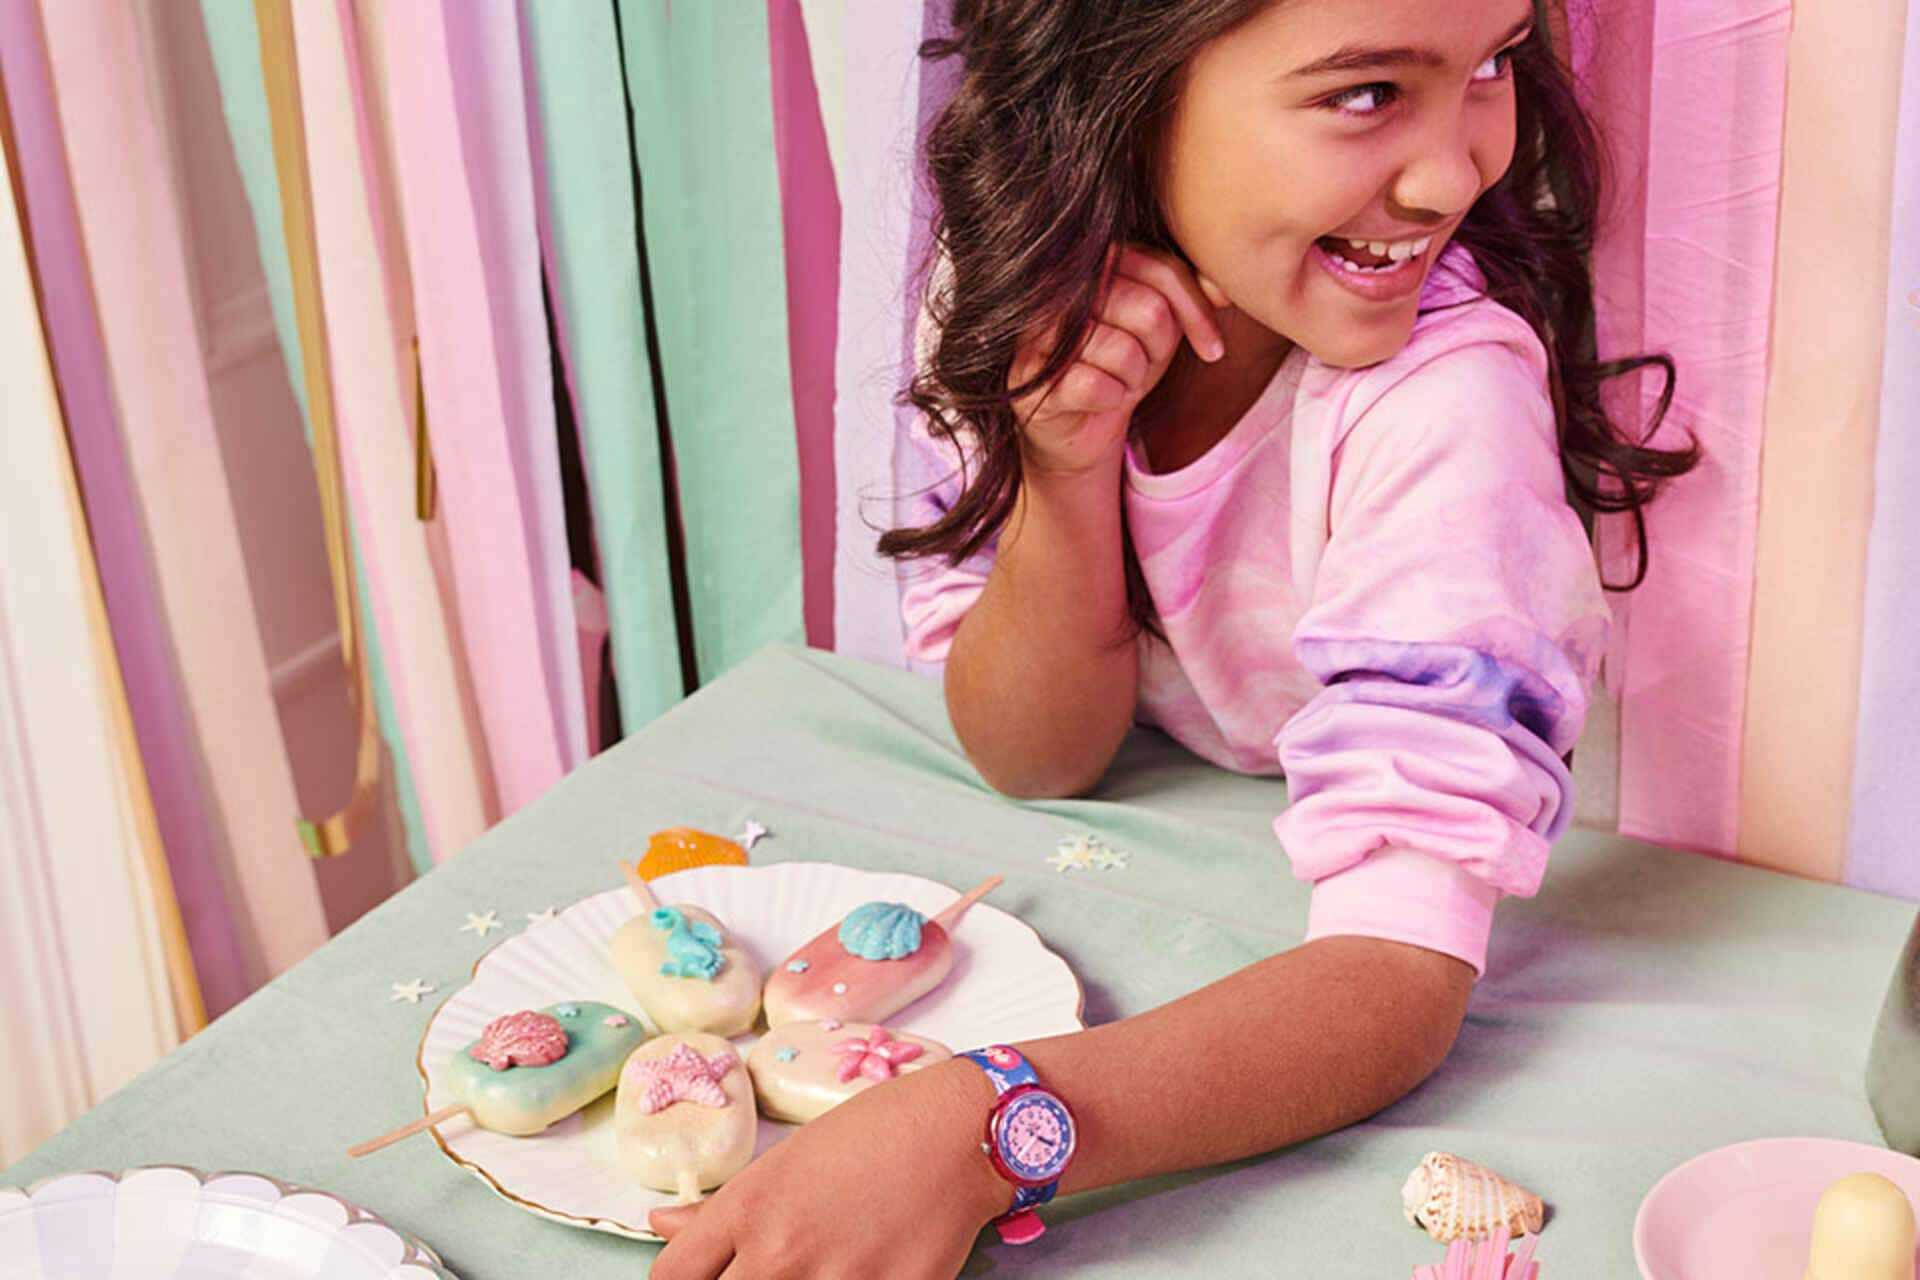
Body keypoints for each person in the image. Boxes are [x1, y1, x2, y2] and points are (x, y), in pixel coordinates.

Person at [649, 1, 1698, 1273]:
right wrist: (1064, 462)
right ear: (1124, 83)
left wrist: (983, 1127)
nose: (1452, 175)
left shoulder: (1448, 400)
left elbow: (1398, 973)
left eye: (1492, 64)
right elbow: (1036, 753)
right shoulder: (1034, 296)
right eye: (1367, 92)